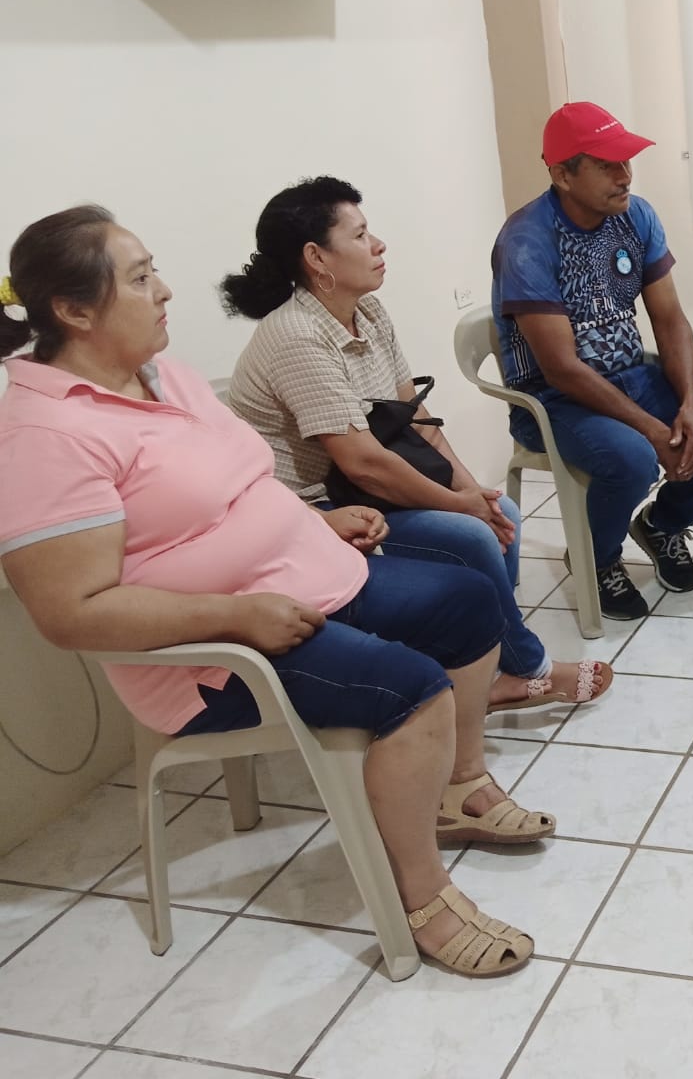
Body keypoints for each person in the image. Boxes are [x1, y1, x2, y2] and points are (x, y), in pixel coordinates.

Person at [0, 206, 554, 976]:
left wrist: (313, 523)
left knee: (467, 600)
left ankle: (455, 789)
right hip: (215, 654)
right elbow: (69, 613)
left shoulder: (164, 375)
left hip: (301, 584)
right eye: (140, 277)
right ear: (73, 310)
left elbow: (239, 486)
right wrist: (236, 616)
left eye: (154, 270)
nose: (164, 291)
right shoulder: (43, 436)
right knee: (413, 688)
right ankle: (420, 898)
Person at [222, 177, 611, 714]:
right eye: (360, 235)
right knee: (471, 535)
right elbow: (362, 462)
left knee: (501, 513)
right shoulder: (296, 337)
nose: (378, 244)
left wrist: (475, 493)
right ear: (317, 257)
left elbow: (416, 417)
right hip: (315, 511)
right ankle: (526, 669)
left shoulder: (367, 312)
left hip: (360, 487)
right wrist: (460, 506)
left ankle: (488, 667)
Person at [491, 102, 693, 620]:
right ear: (562, 175)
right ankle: (596, 558)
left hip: (634, 375)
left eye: (626, 161)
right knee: (635, 458)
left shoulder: (636, 216)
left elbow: (671, 319)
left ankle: (662, 525)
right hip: (553, 401)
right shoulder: (526, 240)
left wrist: (688, 405)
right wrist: (653, 430)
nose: (625, 176)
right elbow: (561, 369)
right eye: (606, 165)